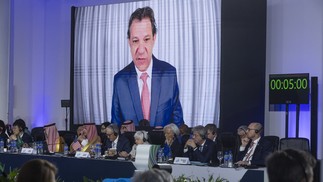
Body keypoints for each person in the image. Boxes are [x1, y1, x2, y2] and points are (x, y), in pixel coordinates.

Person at [111, 6, 184, 127]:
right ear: (129, 41)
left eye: (146, 39)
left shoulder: (169, 74)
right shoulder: (120, 80)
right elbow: (115, 128)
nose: (140, 50)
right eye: (135, 41)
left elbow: (178, 124)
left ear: (154, 38)